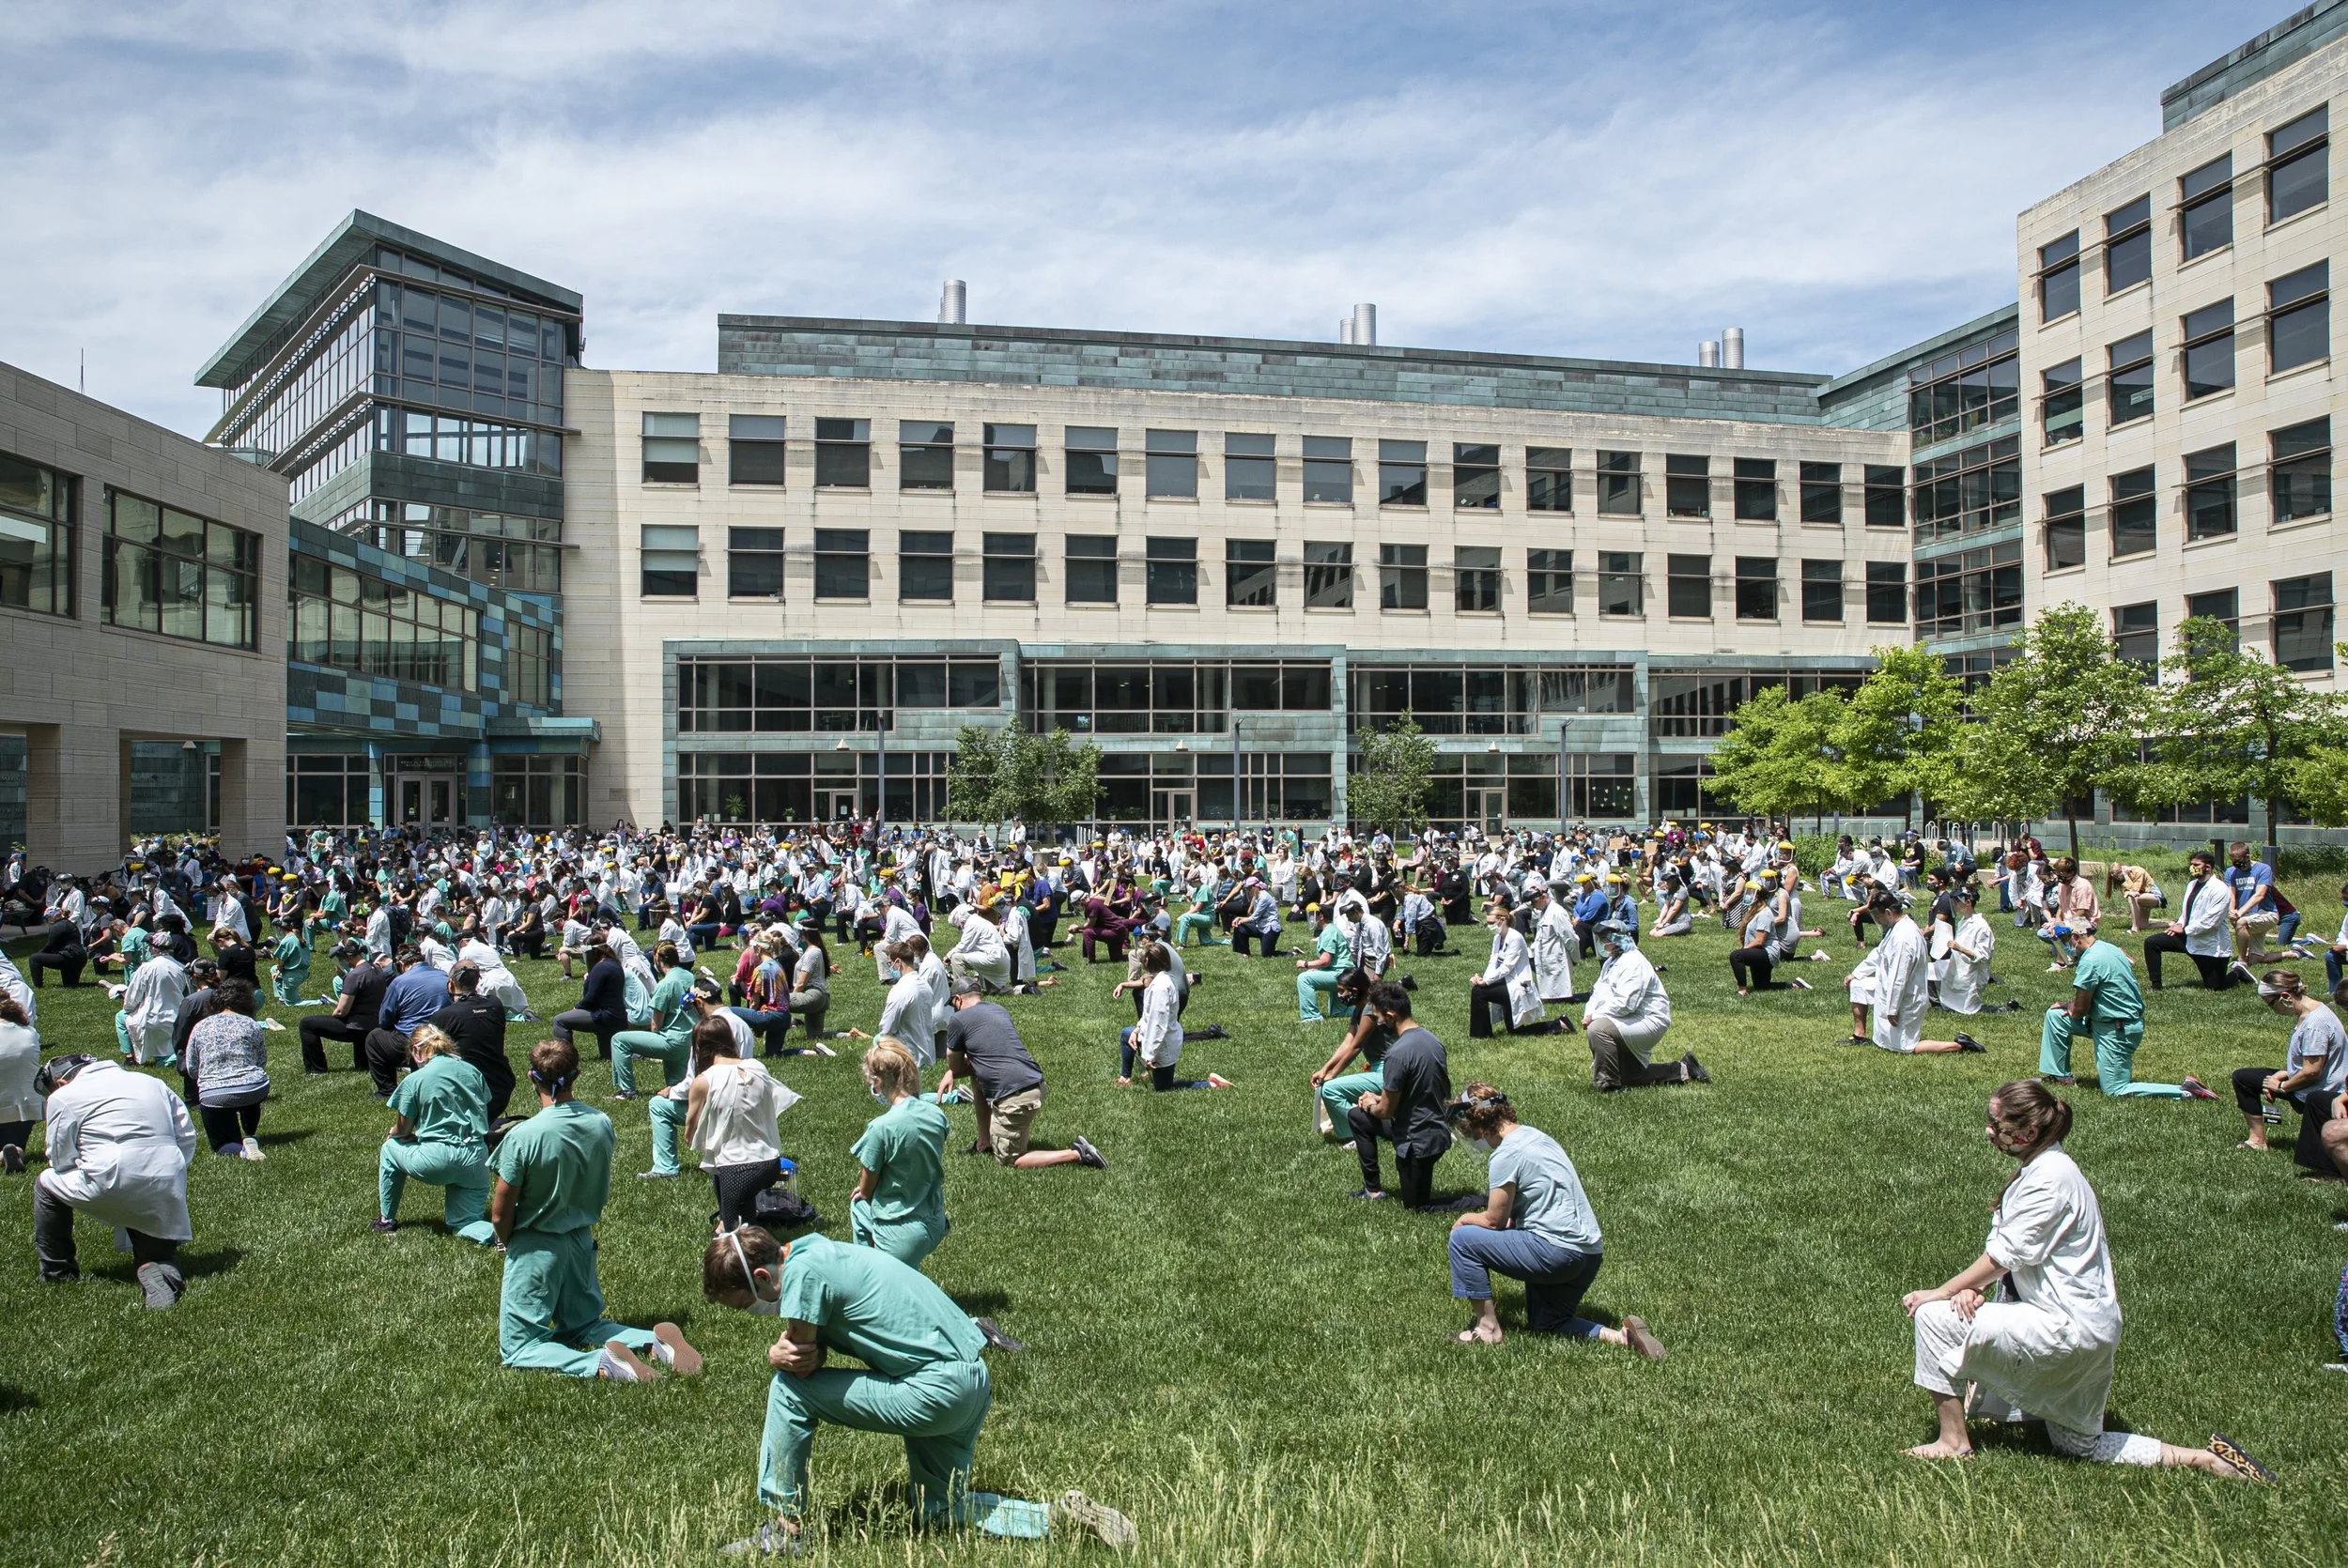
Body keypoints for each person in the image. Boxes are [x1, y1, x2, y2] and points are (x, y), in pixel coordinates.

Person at [1901, 1080, 2273, 1481]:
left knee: (1934, 1316)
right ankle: (2206, 1459)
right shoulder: (2047, 1166)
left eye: (1995, 1124)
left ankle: (1953, 1442)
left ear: (2027, 1134)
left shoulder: (2049, 1178)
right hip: (2089, 1331)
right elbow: (2013, 1251)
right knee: (2079, 1446)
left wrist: (1944, 1292)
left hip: (2065, 1332)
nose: (1988, 1131)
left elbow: (2004, 1256)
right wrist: (1976, 1286)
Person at [702, 1225, 1135, 1555]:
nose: (751, 1313)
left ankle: (785, 1529)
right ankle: (1059, 1516)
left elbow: (802, 1361)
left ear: (761, 1276)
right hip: (971, 1381)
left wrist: (775, 1356)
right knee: (940, 1509)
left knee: (789, 1393)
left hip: (935, 1391)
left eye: (744, 1304)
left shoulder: (802, 1276)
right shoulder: (813, 1248)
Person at [490, 1038, 703, 1382]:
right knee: (584, 1324)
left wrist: (505, 1239)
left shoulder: (523, 1136)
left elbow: (500, 1210)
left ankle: (602, 1365)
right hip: (580, 1241)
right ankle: (653, 1341)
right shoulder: (600, 1122)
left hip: (536, 1245)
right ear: (577, 1074)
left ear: (532, 1077)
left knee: (520, 1346)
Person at [1444, 1083, 1665, 1358]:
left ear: (1481, 1124)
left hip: (1555, 1253)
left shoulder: (1505, 1154)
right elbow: (1519, 1217)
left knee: (1463, 1240)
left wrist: (1463, 1219)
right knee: (1546, 1322)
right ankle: (1624, 1338)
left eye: (1471, 1131)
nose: (1473, 1138)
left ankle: (1488, 1328)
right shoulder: (1537, 1137)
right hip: (1588, 1254)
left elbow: (1494, 1222)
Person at [33, 1053, 197, 1309]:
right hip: (167, 1175)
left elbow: (59, 1159)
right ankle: (163, 1274)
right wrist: (173, 1169)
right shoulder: (151, 1082)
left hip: (110, 1176)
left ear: (61, 1082)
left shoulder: (63, 1097)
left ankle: (58, 1272)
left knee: (45, 1184)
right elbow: (186, 1134)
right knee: (159, 1254)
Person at [937, 979, 1105, 1172]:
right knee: (977, 1075)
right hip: (1035, 1084)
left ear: (958, 1000)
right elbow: (986, 1054)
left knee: (1010, 1160)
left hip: (1016, 1097)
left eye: (952, 1005)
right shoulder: (998, 1009)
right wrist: (954, 1071)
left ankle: (1078, 1153)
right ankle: (984, 1142)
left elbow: (956, 1063)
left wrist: (952, 1071)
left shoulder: (959, 1020)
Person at [2039, 923, 2215, 1100]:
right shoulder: (2108, 948)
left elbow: (2078, 1012)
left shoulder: (2090, 962)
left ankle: (2187, 1091)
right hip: (2107, 1021)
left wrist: (2072, 1006)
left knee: (2115, 1089)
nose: (2066, 946)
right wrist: (2071, 1004)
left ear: (2077, 937)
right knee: (2056, 1017)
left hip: (2117, 1030)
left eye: (2066, 940)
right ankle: (2059, 1076)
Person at [374, 1022, 498, 1243]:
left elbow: (403, 1129)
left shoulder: (415, 1080)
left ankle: (386, 1220)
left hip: (436, 1160)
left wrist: (393, 1134)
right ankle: (506, 1234)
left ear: (415, 1050)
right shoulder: (472, 1071)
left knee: (389, 1149)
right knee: (465, 1223)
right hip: (476, 1159)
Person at [686, 1014, 801, 1228]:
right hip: (770, 1162)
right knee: (746, 1220)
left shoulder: (703, 1081)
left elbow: (689, 1135)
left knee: (731, 1236)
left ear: (700, 1047)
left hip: (736, 1168)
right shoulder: (758, 1067)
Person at [1347, 982, 1453, 1207]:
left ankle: (1480, 1201)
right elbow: (1419, 1090)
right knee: (1357, 1117)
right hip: (1436, 1129)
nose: (1377, 1023)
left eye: (1377, 1018)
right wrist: (1377, 1098)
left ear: (1390, 1015)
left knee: (1417, 1207)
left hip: (1417, 1140)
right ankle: (1372, 1190)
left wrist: (1370, 1105)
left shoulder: (1396, 1054)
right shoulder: (1433, 1040)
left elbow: (1385, 1112)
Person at [2230, 972, 2348, 1174]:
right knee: (2244, 1077)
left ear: (2285, 996)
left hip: (2319, 1088)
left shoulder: (2314, 1024)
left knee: (2244, 1079)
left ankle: (2322, 1168)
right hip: (2310, 1081)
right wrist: (2282, 1074)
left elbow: (2312, 1072)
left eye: (2270, 1003)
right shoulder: (2314, 1009)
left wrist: (2282, 1086)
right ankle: (2257, 1140)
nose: (2271, 1009)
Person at [850, 1037, 951, 1268]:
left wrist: (864, 1191)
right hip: (934, 1219)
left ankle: (871, 1272)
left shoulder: (880, 1128)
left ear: (877, 1081)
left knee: (858, 1203)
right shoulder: (936, 1115)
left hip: (899, 1230)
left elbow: (866, 1188)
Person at [1582, 921, 1701, 1089]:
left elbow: (1626, 1003)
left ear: (1617, 938)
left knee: (1598, 1029)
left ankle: (1609, 1084)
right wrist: (1589, 1013)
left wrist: (1594, 1017)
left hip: (1648, 1019)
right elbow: (1597, 992)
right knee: (1630, 1076)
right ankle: (1683, 1069)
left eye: (1605, 939)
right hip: (1626, 1017)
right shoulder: (1611, 963)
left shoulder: (1633, 961)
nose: (1602, 943)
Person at [1118, 942, 1233, 1091]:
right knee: (1126, 1033)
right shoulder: (1160, 979)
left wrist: (1150, 1054)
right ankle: (1124, 1078)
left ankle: (1212, 1084)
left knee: (1163, 1089)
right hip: (1159, 1037)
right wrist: (1136, 1030)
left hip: (1163, 1044)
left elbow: (1158, 1025)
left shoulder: (1160, 987)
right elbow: (1148, 1016)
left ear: (1148, 961)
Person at [181, 976, 271, 1160]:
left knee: (221, 1144)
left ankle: (241, 1150)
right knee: (249, 1093)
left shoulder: (200, 1027)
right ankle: (250, 1134)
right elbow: (261, 1061)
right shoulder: (251, 1024)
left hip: (215, 1093)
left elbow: (191, 1068)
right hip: (254, 1088)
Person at [2143, 850, 2246, 992]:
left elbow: (2211, 922)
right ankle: (2156, 986)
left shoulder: (2220, 889)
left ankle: (2238, 972)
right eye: (2191, 864)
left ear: (2208, 867)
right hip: (2187, 937)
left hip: (2209, 944)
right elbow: (2187, 912)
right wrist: (2179, 923)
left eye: (2196, 865)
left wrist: (2184, 930)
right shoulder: (2191, 885)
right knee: (2152, 943)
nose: (2192, 868)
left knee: (2215, 986)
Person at [427, 961, 517, 1120]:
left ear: (451, 984)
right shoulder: (495, 1005)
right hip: (500, 1087)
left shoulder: (443, 1016)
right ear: (477, 981)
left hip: (467, 1094)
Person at [610, 941, 695, 1100]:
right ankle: (677, 1089)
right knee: (676, 1083)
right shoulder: (690, 976)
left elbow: (656, 1025)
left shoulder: (664, 984)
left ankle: (627, 1091)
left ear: (658, 960)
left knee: (618, 1040)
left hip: (672, 1042)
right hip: (691, 1039)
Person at [364, 945, 450, 1099]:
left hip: (412, 1042)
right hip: (444, 1038)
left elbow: (384, 1020)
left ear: (401, 964)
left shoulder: (399, 982)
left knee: (374, 1037)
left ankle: (387, 1090)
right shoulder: (444, 976)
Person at [1470, 895, 1555, 1038]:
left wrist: (1486, 982)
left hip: (1516, 985)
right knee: (1515, 1031)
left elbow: (1507, 966)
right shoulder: (1498, 937)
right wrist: (1483, 979)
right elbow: (1493, 961)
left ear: (1502, 920)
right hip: (1505, 983)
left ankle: (1482, 1034)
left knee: (1480, 993)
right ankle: (1559, 1024)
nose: (1489, 926)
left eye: (1492, 922)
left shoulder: (1515, 937)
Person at [300, 941, 386, 1074]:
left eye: (344, 959)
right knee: (362, 1065)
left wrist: (333, 1015)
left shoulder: (354, 975)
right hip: (373, 1024)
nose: (344, 962)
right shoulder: (376, 969)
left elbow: (341, 1011)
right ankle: (363, 1065)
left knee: (306, 1024)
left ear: (350, 957)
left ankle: (316, 1069)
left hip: (356, 1028)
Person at [551, 934, 628, 1063]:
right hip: (617, 1017)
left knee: (559, 1020)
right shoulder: (614, 963)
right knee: (609, 1057)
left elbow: (591, 998)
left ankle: (566, 1059)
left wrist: (577, 1007)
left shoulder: (600, 968)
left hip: (604, 1016)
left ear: (595, 951)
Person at [113, 939, 189, 1067]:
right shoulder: (180, 967)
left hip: (151, 1018)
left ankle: (129, 1057)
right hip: (177, 1018)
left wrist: (128, 1008)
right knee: (162, 1054)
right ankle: (173, 1057)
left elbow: (132, 998)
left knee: (121, 1016)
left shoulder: (146, 968)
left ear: (153, 949)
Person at [0, 996, 41, 1174]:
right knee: (14, 1143)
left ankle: (5, 1153)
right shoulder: (30, 1032)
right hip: (26, 1108)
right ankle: (14, 1152)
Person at [1294, 902, 1350, 1023]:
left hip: (1341, 974)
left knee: (1304, 979)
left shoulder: (1328, 933)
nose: (1310, 918)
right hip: (1345, 973)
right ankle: (1351, 1011)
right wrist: (1317, 969)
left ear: (1321, 916)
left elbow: (1325, 961)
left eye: (1313, 915)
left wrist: (1305, 964)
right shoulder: (1331, 929)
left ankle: (1312, 1017)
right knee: (1338, 1012)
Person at [1529, 883, 1577, 1008]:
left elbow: (1570, 937)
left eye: (1534, 902)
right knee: (1549, 989)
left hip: (1556, 957)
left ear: (1543, 897)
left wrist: (1575, 957)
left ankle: (1564, 1000)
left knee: (1560, 990)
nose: (1533, 906)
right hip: (1546, 956)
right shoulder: (1544, 912)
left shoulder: (1557, 912)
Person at [1229, 878, 1284, 959]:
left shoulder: (1264, 898)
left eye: (1249, 888)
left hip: (1270, 928)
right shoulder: (1256, 896)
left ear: (1256, 887)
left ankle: (1292, 953)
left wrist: (1240, 919)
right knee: (1239, 927)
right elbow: (1252, 915)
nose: (1248, 891)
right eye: (1246, 889)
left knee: (1267, 955)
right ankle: (1245, 953)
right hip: (1260, 926)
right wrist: (1239, 919)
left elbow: (1254, 918)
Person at [269, 917, 312, 1007]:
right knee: (273, 969)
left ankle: (322, 1001)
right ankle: (282, 998)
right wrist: (277, 971)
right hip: (303, 972)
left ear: (281, 928)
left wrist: (279, 972)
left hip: (293, 976)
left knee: (292, 1003)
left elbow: (281, 962)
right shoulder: (297, 936)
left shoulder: (286, 941)